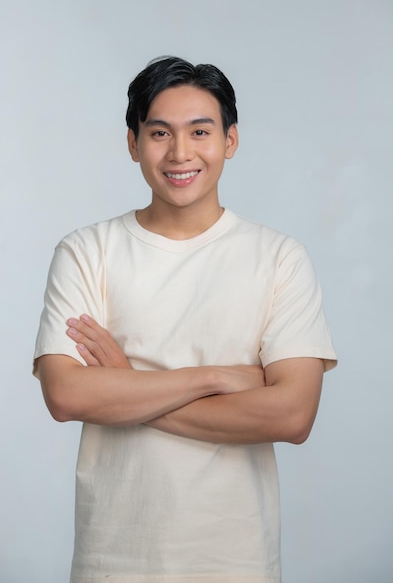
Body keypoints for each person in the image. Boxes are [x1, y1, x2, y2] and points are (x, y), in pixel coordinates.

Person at [34, 56, 337, 583]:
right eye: (159, 133)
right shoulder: (87, 251)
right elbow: (66, 396)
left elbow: (292, 416)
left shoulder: (279, 258)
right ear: (132, 143)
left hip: (235, 558)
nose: (180, 153)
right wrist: (216, 378)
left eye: (200, 131)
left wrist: (126, 388)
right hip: (114, 558)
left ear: (230, 140)